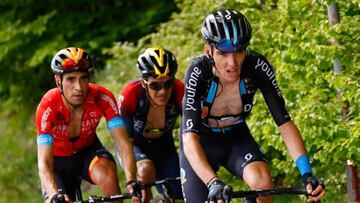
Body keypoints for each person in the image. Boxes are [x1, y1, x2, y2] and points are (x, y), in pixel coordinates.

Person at [179, 8, 326, 203]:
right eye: (223, 53)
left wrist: (307, 173)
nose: (232, 63)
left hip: (236, 137)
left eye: (239, 51)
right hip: (201, 142)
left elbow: (284, 123)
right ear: (209, 51)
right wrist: (213, 182)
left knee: (263, 184)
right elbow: (189, 137)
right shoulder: (198, 70)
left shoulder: (256, 65)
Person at [35, 47, 141, 203]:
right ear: (58, 80)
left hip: (88, 153)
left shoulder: (102, 97)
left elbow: (123, 144)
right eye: (71, 79)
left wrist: (132, 180)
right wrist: (53, 194)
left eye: (83, 78)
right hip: (56, 162)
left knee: (108, 176)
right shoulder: (48, 106)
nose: (79, 87)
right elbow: (44, 161)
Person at [116, 47, 184, 202]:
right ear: (144, 82)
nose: (162, 91)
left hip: (164, 147)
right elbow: (124, 142)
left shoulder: (180, 91)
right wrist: (132, 180)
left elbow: (192, 131)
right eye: (155, 85)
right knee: (145, 171)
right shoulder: (130, 94)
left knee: (178, 197)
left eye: (168, 84)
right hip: (135, 145)